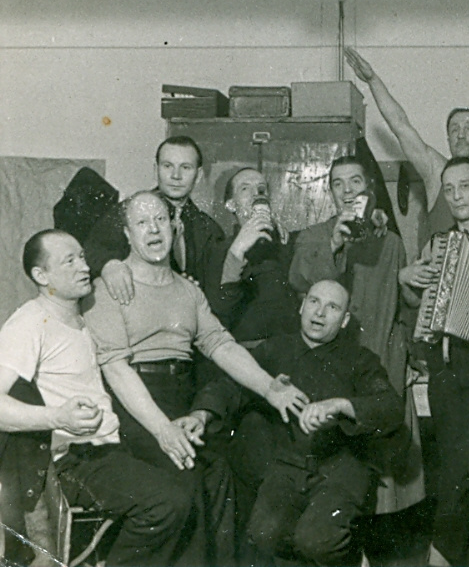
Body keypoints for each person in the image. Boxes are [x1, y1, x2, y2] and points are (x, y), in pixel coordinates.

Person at [82, 191, 308, 566]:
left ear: (174, 226)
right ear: (127, 234)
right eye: (141, 223)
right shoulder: (108, 288)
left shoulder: (187, 290)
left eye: (160, 220)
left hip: (181, 398)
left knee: (219, 476)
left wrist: (271, 388)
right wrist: (163, 430)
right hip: (133, 408)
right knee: (186, 479)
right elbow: (116, 369)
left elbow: (220, 344)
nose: (153, 230)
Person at [0, 230, 195, 566]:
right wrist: (57, 417)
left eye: (82, 256)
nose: (83, 266)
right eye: (69, 261)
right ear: (41, 276)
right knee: (168, 502)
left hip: (111, 449)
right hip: (71, 462)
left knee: (192, 482)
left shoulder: (86, 312)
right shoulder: (29, 322)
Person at [194, 280, 405, 566]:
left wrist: (341, 405)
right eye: (314, 302)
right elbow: (229, 385)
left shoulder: (361, 360)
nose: (320, 313)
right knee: (264, 533)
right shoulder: (274, 350)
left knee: (317, 540)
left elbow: (390, 407)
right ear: (302, 306)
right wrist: (202, 413)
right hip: (287, 467)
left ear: (345, 321)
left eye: (332, 307)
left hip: (343, 469)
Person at [288, 155, 424, 514]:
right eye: (338, 184)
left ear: (369, 189)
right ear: (330, 192)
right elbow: (299, 280)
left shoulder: (390, 242)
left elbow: (401, 308)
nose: (347, 191)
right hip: (331, 365)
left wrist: (410, 355)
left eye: (355, 182)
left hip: (383, 359)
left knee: (385, 472)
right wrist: (334, 242)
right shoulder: (314, 236)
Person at [398, 156, 469, 565]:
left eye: (465, 186)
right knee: (452, 470)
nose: (457, 196)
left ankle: (447, 556)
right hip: (446, 372)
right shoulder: (437, 243)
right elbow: (418, 305)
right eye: (449, 189)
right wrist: (407, 280)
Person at [344, 47, 469, 242]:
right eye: (454, 129)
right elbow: (400, 125)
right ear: (448, 139)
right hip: (436, 260)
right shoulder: (435, 170)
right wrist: (373, 80)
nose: (461, 135)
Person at [85, 136, 224, 305]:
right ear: (155, 169)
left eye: (185, 167)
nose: (176, 176)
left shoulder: (209, 229)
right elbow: (92, 249)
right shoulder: (128, 211)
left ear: (199, 175)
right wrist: (109, 265)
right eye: (167, 166)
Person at [208, 167, 299, 344]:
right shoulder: (220, 250)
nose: (256, 194)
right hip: (246, 351)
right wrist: (236, 254)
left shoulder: (284, 242)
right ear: (231, 205)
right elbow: (218, 315)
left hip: (288, 348)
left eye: (261, 189)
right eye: (245, 188)